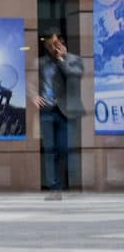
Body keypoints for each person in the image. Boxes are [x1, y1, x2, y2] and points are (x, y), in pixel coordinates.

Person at [38, 29, 84, 199]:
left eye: (55, 44)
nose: (52, 48)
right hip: (47, 111)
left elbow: (74, 76)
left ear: (62, 42)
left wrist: (62, 59)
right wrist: (33, 95)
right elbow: (31, 82)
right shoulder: (41, 63)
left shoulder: (75, 60)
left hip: (67, 112)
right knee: (50, 151)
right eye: (49, 45)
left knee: (64, 150)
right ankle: (54, 188)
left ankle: (66, 184)